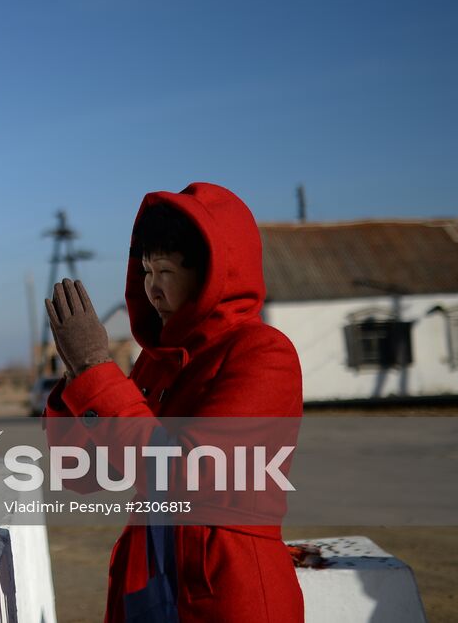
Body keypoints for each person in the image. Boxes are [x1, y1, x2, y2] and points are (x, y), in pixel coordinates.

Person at [43, 182, 304, 622]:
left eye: (165, 271)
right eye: (145, 271)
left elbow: (190, 473)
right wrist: (77, 375)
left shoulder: (262, 352)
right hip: (150, 583)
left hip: (226, 590)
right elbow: (82, 474)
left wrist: (95, 370)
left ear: (211, 273)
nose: (152, 290)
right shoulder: (157, 362)